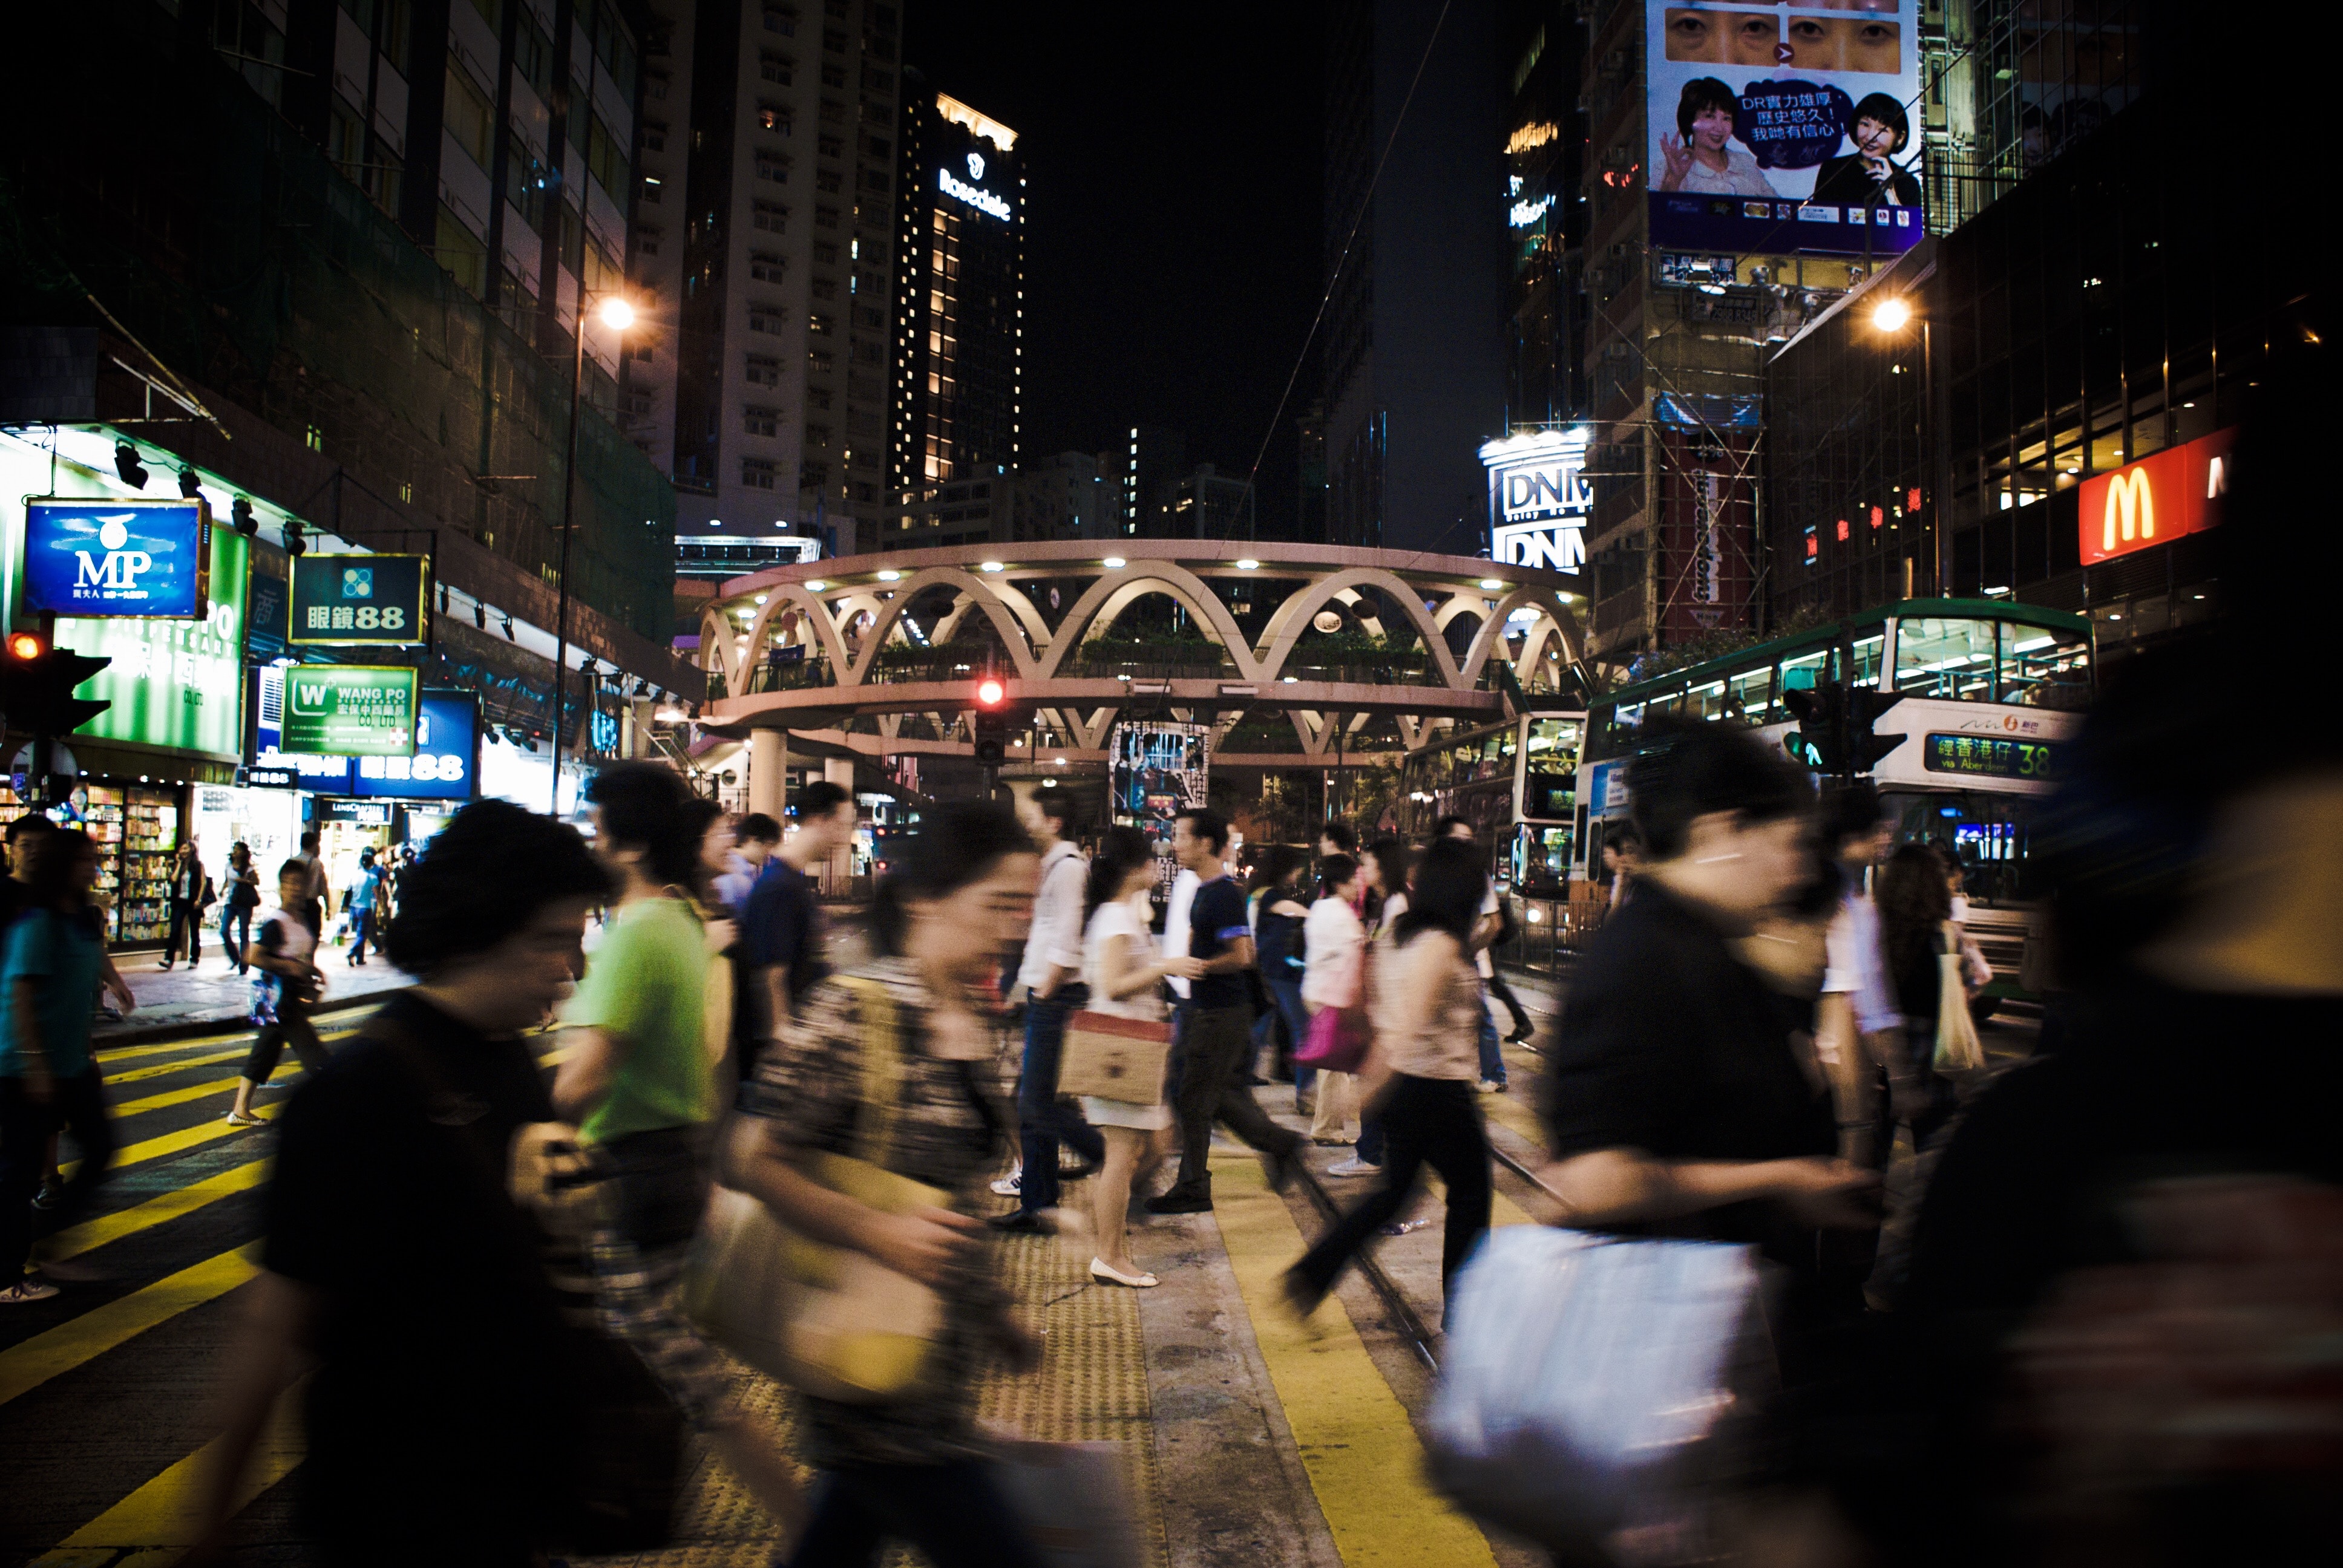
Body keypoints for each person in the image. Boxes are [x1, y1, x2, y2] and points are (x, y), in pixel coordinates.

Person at [194, 800, 630, 1564]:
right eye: (553, 942)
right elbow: (275, 1321)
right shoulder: (361, 1093)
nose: (573, 971)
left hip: (514, 1498)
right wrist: (210, 1520)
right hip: (405, 1508)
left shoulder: (505, 1056)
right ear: (477, 931)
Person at [723, 801, 1050, 1566]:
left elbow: (950, 1201)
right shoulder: (857, 1006)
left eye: (1024, 906)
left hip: (934, 1365)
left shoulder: (974, 1012)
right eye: (997, 904)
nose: (1013, 926)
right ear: (926, 901)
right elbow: (754, 1156)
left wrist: (997, 1310)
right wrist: (875, 1231)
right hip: (865, 1369)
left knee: (837, 1541)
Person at [1537, 725, 1873, 1359]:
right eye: (1787, 844)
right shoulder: (1648, 958)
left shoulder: (1706, 946)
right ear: (1722, 833)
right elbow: (1593, 1180)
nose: (1797, 870)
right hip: (1662, 1348)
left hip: (1714, 1331)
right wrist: (1783, 1179)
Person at [1286, 837, 1495, 1320]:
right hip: (1433, 1087)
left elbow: (1376, 1003)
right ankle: (1464, 1315)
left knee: (1393, 1195)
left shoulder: (1402, 931)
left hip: (1410, 1087)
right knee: (1470, 1195)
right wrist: (1377, 1078)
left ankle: (1313, 1273)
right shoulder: (1440, 944)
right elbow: (1408, 1020)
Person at [554, 763, 716, 1281]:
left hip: (630, 1173)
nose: (593, 847)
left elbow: (584, 1082)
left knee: (635, 1341)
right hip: (672, 1162)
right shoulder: (682, 918)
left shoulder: (639, 935)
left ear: (634, 845)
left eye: (599, 831)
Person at [1145, 807, 1304, 1214]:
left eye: (1181, 836)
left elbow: (1243, 955)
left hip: (1222, 1012)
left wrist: (1201, 967)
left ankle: (1197, 1184)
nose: (1174, 844)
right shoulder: (1202, 890)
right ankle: (1274, 1145)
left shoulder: (1223, 894)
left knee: (1196, 1099)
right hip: (1202, 1008)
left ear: (1205, 844)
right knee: (1202, 1095)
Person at [1, 829, 132, 1304]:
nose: (92, 866)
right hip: (25, 1064)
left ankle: (50, 1245)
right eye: (84, 859)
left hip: (69, 1063)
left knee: (99, 1146)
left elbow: (84, 975)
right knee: (18, 1170)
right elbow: (20, 991)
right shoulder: (39, 921)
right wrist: (35, 1065)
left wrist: (115, 985)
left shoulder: (79, 916)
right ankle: (7, 1273)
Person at [1078, 826, 1200, 1287]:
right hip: (1120, 1050)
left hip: (1133, 1048)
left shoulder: (1121, 915)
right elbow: (1112, 984)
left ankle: (1106, 1225)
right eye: (1150, 862)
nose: (1156, 868)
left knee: (1154, 1144)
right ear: (1133, 870)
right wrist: (1165, 966)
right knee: (1124, 1154)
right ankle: (1109, 1253)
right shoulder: (1114, 919)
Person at [992, 788, 1101, 1233]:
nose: (1028, 824)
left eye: (1032, 816)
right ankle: (1037, 1205)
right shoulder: (1051, 869)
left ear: (1054, 822)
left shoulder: (1070, 870)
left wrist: (1044, 992)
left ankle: (1106, 1156)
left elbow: (1068, 940)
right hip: (1043, 995)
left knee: (1036, 1105)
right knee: (1033, 1105)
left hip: (1056, 999)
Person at [740, 779, 857, 1075]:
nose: (845, 838)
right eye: (843, 826)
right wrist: (783, 1036)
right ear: (820, 821)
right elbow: (771, 973)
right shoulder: (779, 886)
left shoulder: (788, 880)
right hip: (785, 1051)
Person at [1874, 843, 1982, 1152]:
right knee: (1933, 1147)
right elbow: (1972, 984)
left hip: (1883, 1049)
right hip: (1935, 1050)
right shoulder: (1947, 935)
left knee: (1877, 1150)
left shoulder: (1876, 931)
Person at [1326, 838, 1412, 1179]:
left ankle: (1374, 1154)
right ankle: (1373, 1152)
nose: (1361, 870)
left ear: (1384, 866)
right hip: (1382, 1010)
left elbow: (1400, 958)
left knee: (1381, 1086)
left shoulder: (1398, 904)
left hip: (1392, 1012)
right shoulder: (1386, 903)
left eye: (1368, 863)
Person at [225, 860, 330, 1127]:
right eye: (290, 884)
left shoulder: (300, 919)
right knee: (315, 1056)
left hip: (289, 996)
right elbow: (253, 955)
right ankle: (335, 1111)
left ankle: (240, 1109)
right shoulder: (276, 922)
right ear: (282, 887)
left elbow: (299, 955)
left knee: (266, 1052)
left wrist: (312, 971)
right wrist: (291, 967)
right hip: (280, 997)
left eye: (300, 883)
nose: (296, 889)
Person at [1435, 815, 1510, 1094]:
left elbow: (1495, 923)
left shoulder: (1480, 877)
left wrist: (1468, 950)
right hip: (1437, 959)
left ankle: (1495, 1073)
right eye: (1460, 839)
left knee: (1480, 1018)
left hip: (1467, 961)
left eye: (1469, 839)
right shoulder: (1434, 874)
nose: (1466, 845)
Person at [1301, 854, 1366, 1147]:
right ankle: (1327, 1129)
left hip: (1317, 991)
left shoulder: (1320, 907)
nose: (1358, 887)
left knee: (1334, 1068)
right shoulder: (1341, 913)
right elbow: (1355, 956)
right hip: (1332, 996)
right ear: (1340, 882)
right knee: (1335, 1070)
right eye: (1354, 881)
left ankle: (1329, 1125)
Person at [1248, 844, 1311, 1109]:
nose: (1297, 874)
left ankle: (1236, 1080)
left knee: (1261, 1028)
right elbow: (1287, 908)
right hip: (1282, 973)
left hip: (1267, 971)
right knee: (1303, 1030)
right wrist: (1318, 916)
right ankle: (1306, 1094)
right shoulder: (1270, 896)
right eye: (1296, 869)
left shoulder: (1258, 893)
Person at [1657, 77, 1778, 197]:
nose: (1719, 128)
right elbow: (1657, 213)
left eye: (1726, 118)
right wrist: (1673, 180)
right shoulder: (1667, 168)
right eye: (1710, 117)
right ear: (1691, 121)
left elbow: (1778, 209)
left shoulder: (1745, 162)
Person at [1810, 92, 1923, 211]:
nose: (1870, 137)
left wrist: (1890, 190)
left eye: (1883, 130)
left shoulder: (1908, 184)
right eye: (1865, 124)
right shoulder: (1833, 169)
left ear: (1900, 138)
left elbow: (1908, 228)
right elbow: (1819, 220)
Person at [713, 811, 782, 913]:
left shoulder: (743, 869)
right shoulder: (734, 872)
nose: (769, 853)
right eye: (768, 846)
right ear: (752, 840)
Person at [160, 835, 210, 969]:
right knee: (175, 929)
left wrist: (199, 900)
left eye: (186, 848)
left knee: (194, 932)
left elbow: (203, 882)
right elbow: (174, 879)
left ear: (192, 850)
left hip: (193, 902)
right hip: (180, 902)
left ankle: (194, 959)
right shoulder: (180, 865)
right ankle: (169, 959)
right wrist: (179, 864)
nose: (183, 851)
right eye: (181, 849)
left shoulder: (198, 865)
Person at [218, 841, 261, 975]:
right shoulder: (229, 866)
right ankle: (235, 957)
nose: (235, 852)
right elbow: (227, 880)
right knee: (224, 930)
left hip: (244, 903)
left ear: (243, 853)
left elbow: (256, 882)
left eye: (238, 849)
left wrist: (244, 881)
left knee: (244, 934)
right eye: (234, 849)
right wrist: (222, 890)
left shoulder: (248, 868)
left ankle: (244, 965)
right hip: (231, 901)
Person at [344, 846, 382, 966]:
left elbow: (348, 891)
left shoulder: (354, 875)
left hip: (353, 908)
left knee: (359, 934)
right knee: (362, 935)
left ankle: (360, 959)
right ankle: (351, 953)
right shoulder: (372, 877)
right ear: (371, 864)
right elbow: (377, 894)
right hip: (365, 908)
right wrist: (381, 906)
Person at [1602, 825, 1642, 912]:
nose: (1623, 858)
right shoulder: (1625, 883)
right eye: (1622, 851)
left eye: (1630, 851)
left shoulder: (1647, 889)